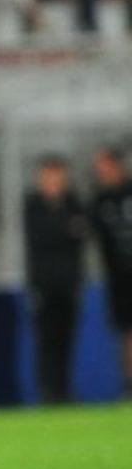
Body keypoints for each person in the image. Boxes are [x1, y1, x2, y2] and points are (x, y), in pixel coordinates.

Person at [24, 155, 86, 404]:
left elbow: (81, 234)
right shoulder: (33, 204)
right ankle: (48, 391)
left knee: (66, 339)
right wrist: (67, 227)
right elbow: (45, 236)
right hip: (43, 282)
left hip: (69, 281)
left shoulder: (73, 202)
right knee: (46, 339)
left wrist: (68, 228)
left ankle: (64, 390)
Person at [89, 148, 132, 396]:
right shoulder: (100, 200)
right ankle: (129, 384)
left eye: (104, 166)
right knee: (125, 331)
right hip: (118, 277)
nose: (100, 172)